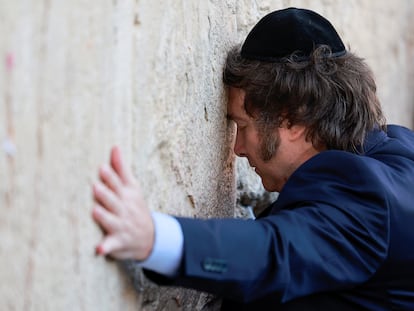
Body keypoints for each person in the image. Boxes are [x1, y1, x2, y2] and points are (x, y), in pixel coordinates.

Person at [91, 7, 414, 310]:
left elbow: (276, 252)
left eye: (242, 126)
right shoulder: (398, 153)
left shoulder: (366, 196)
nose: (238, 149)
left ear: (291, 119)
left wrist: (154, 237)